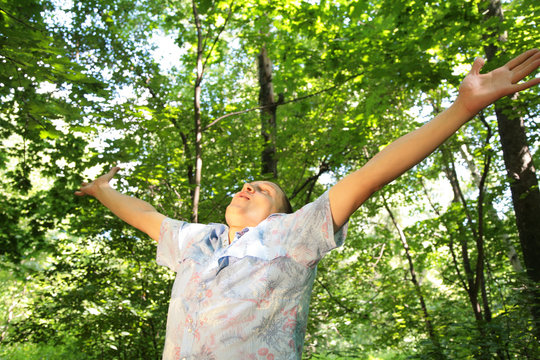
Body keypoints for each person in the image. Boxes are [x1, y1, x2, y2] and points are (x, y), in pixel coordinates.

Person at [75, 49, 540, 360]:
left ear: (281, 212)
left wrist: (462, 108)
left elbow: (370, 174)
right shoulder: (199, 241)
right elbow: (147, 217)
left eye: (263, 189)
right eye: (247, 184)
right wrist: (102, 190)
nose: (249, 188)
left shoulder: (291, 234)